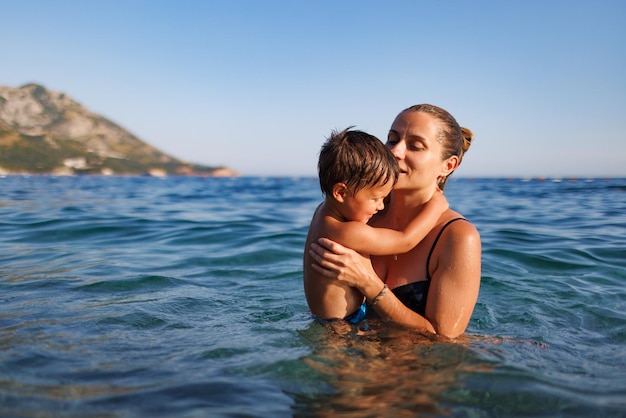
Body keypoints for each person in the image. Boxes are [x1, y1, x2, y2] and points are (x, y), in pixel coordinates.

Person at [308, 105, 481, 338]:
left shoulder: (457, 236)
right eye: (392, 140)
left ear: (448, 166)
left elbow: (444, 339)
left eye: (415, 146)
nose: (396, 151)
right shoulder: (356, 213)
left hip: (408, 370)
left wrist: (369, 284)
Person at [303, 127, 448, 324]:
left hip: (331, 318)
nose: (381, 205)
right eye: (376, 198)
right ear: (340, 192)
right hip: (341, 326)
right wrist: (435, 207)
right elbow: (404, 240)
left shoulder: (323, 212)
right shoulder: (346, 232)